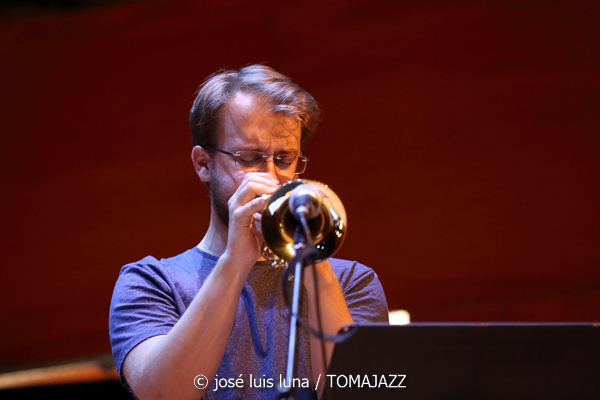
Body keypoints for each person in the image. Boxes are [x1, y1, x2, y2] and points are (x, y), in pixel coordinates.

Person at [109, 65, 389, 400]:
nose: (270, 178)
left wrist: (314, 262)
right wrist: (235, 262)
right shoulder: (151, 283)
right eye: (249, 158)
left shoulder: (353, 282)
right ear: (203, 164)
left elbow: (358, 394)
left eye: (284, 159)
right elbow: (164, 395)